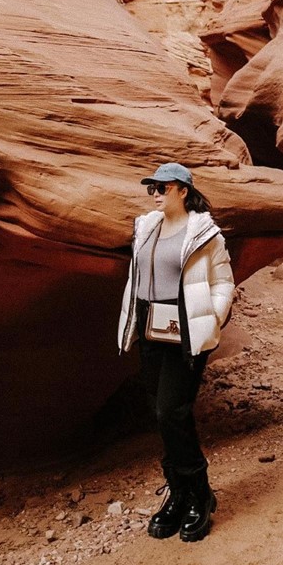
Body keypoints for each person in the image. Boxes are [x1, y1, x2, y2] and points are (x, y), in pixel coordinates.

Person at [117, 162, 234, 542]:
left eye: (163, 187)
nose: (155, 193)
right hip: (151, 328)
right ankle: (178, 493)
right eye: (152, 187)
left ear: (183, 190)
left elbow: (223, 282)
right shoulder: (146, 227)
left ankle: (199, 492)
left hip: (185, 330)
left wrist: (208, 320)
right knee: (161, 412)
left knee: (172, 410)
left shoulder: (204, 232)